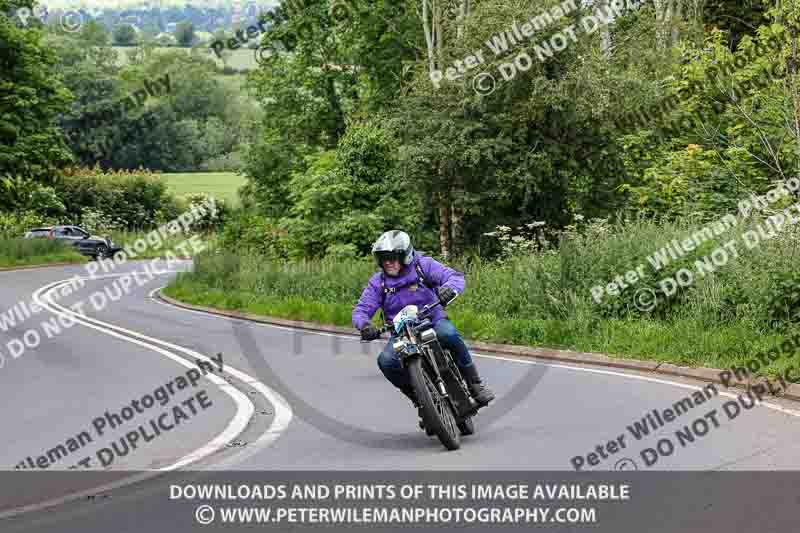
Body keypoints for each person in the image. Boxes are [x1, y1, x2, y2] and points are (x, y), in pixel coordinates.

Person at [352, 230, 495, 416]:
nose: (387, 262)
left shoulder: (423, 265)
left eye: (392, 257)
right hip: (402, 332)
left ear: (405, 255)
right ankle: (420, 399)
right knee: (386, 361)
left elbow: (454, 277)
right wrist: (364, 325)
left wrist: (448, 290)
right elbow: (361, 309)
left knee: (449, 334)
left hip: (432, 320)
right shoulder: (378, 283)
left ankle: (475, 385)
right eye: (383, 258)